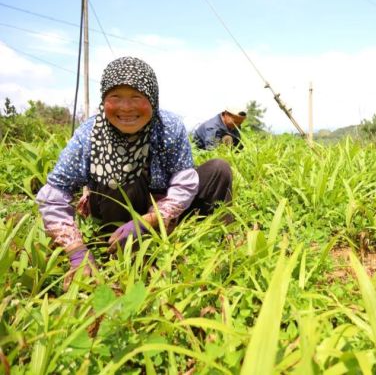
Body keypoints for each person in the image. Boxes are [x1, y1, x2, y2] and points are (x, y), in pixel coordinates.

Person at [36, 56, 233, 288]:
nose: (126, 108)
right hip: (114, 206)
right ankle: (123, 250)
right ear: (104, 100)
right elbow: (54, 196)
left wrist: (151, 220)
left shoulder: (169, 126)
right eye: (115, 97)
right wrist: (76, 252)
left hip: (161, 207)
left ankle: (216, 246)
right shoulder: (87, 135)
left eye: (136, 97)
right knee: (117, 178)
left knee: (218, 169)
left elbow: (184, 182)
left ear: (152, 99)